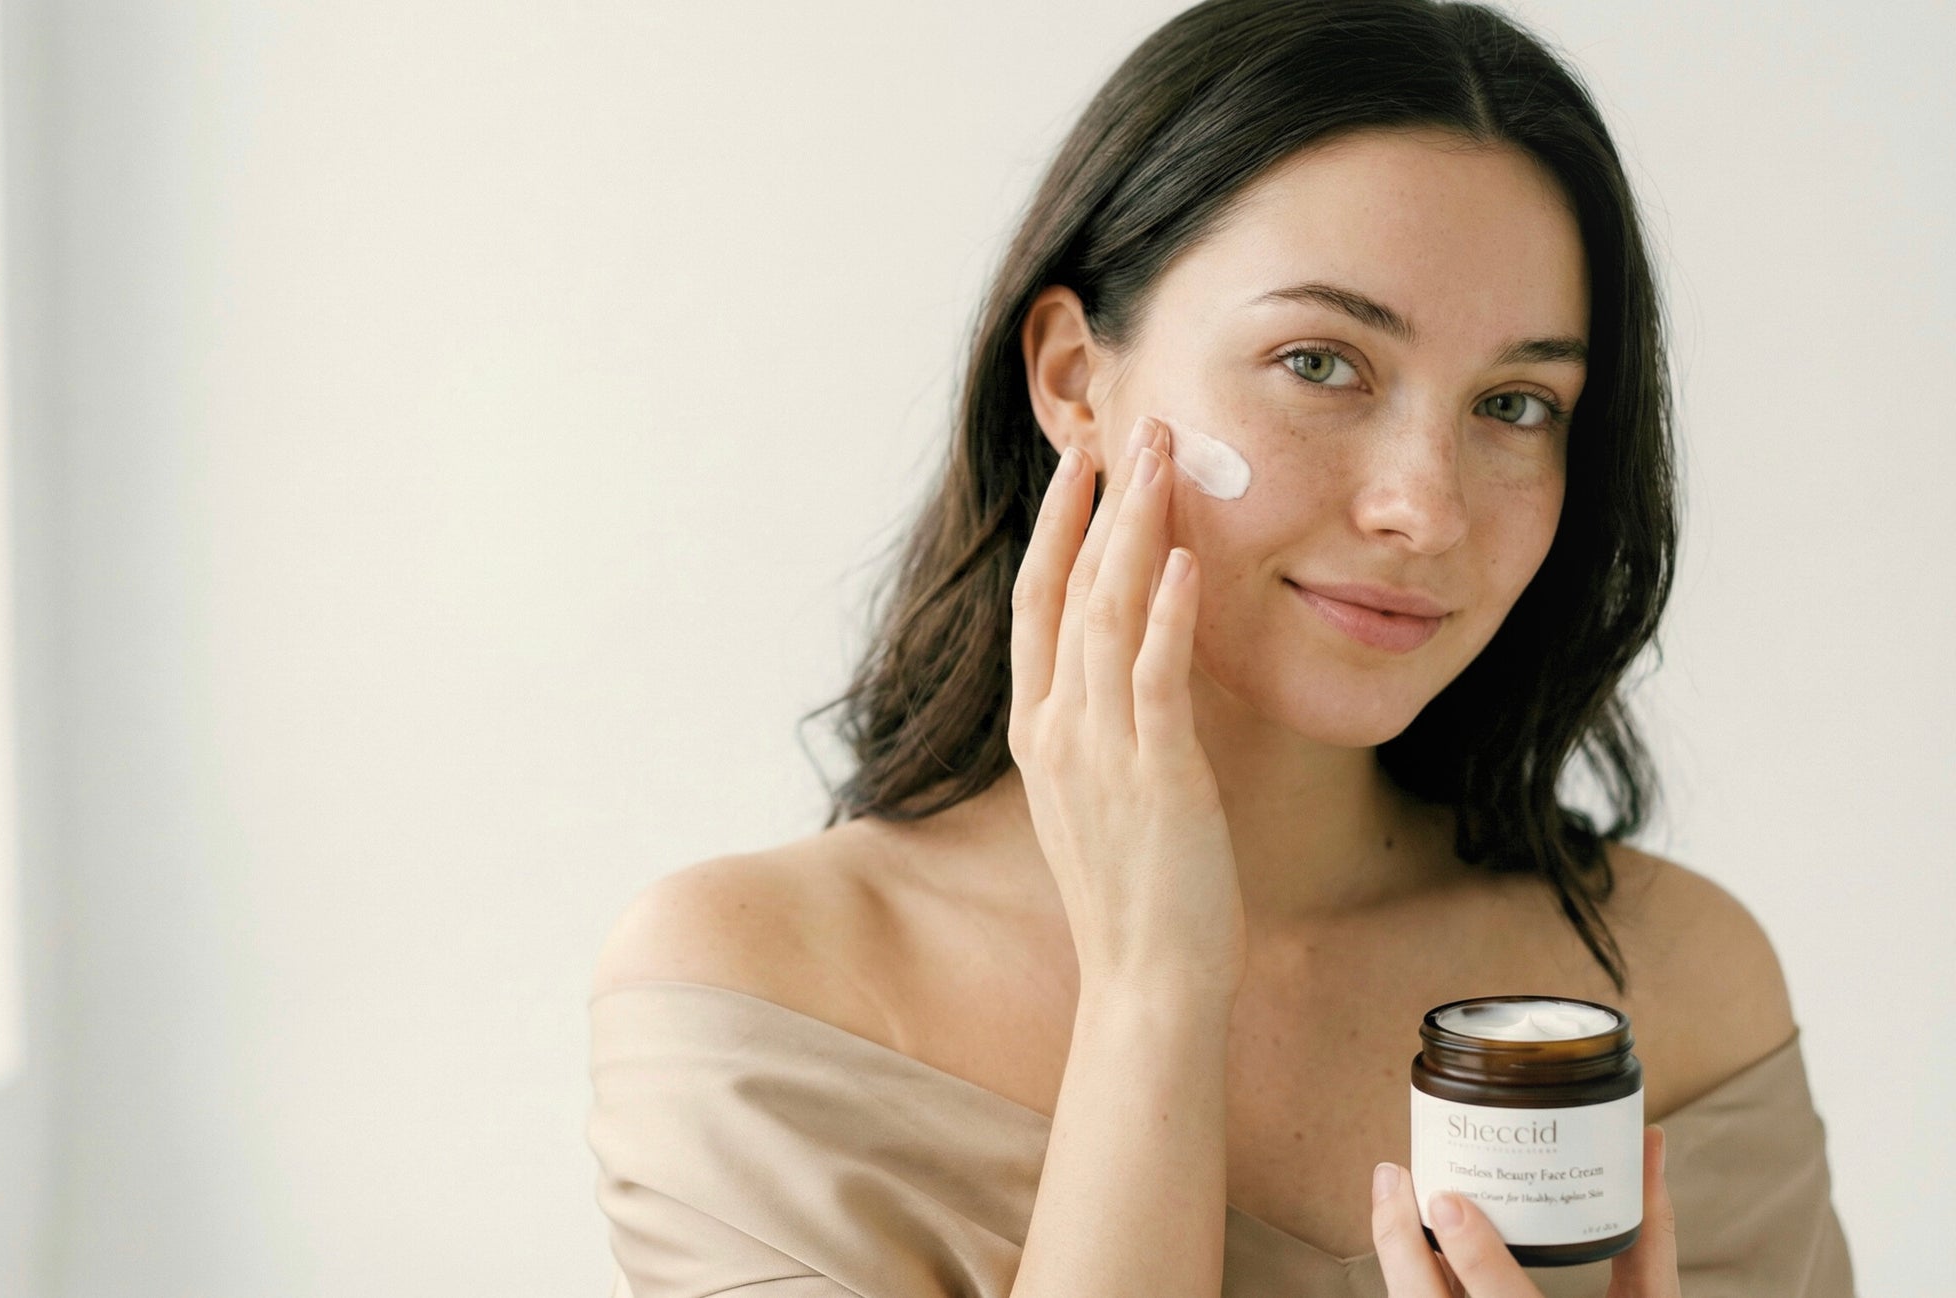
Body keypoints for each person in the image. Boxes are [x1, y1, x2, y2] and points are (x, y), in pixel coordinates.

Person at [585, 1, 1857, 1295]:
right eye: (1321, 361)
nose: (1426, 504)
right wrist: (1153, 991)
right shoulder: (766, 989)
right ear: (1078, 377)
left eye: (1516, 403)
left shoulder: (1675, 989)